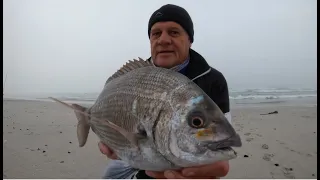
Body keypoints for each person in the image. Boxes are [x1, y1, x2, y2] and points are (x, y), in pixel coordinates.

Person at [100, 4, 232, 179]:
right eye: (156, 33)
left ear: (190, 40)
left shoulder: (213, 81)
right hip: (132, 156)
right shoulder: (133, 79)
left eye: (174, 32)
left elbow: (220, 140)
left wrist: (216, 163)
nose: (163, 40)